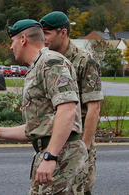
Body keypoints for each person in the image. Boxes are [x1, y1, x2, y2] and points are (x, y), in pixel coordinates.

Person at [0, 19, 89, 194]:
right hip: (53, 156)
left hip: (62, 159)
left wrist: (50, 156)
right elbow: (38, 129)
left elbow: (68, 111)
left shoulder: (51, 62)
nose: (10, 47)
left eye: (12, 41)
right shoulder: (39, 66)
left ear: (23, 39)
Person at [40, 11, 104, 194]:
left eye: (47, 34)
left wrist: (84, 149)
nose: (44, 39)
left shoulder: (85, 61)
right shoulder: (47, 60)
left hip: (77, 141)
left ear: (63, 33)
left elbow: (94, 107)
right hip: (54, 142)